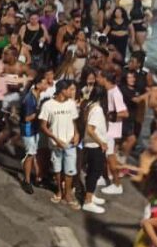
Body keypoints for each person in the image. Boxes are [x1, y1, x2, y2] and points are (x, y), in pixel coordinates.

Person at [39, 80, 80, 209]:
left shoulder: (71, 104)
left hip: (70, 143)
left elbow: (74, 121)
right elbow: (43, 126)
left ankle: (68, 194)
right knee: (57, 169)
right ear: (63, 90)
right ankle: (59, 191)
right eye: (70, 89)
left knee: (70, 169)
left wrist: (77, 133)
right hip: (55, 144)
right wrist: (55, 139)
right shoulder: (48, 105)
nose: (72, 92)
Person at [81, 85, 109, 214]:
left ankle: (90, 195)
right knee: (95, 172)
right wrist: (101, 143)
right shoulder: (97, 109)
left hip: (90, 145)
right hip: (95, 146)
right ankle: (88, 201)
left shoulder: (89, 105)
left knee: (92, 172)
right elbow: (90, 130)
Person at [19, 75, 49, 194]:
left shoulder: (38, 95)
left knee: (34, 153)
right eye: (44, 83)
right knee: (30, 155)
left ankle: (38, 176)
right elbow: (26, 118)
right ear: (37, 85)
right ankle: (26, 181)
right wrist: (40, 113)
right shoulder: (29, 99)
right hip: (28, 130)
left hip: (34, 129)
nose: (47, 85)